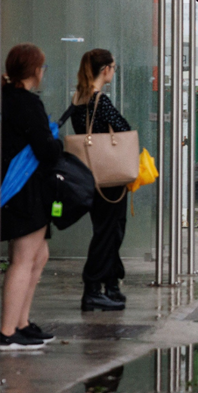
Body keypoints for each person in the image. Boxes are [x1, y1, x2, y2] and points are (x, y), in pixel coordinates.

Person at [0, 44, 63, 350]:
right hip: (24, 191)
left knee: (39, 255)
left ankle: (21, 322)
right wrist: (57, 142)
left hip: (19, 189)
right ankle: (8, 331)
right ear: (34, 71)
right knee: (23, 259)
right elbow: (45, 149)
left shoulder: (2, 98)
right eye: (42, 68)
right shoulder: (25, 103)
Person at [71, 49, 130, 312]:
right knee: (109, 232)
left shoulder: (78, 99)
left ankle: (110, 284)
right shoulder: (99, 101)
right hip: (109, 179)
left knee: (106, 231)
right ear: (105, 69)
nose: (114, 72)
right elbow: (123, 128)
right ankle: (94, 287)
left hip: (89, 174)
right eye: (113, 67)